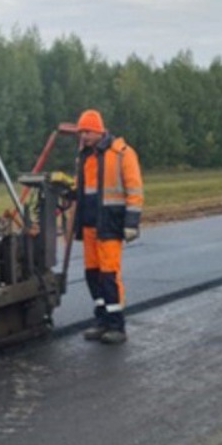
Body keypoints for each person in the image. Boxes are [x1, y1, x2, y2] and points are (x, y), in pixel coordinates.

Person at [73, 109, 143, 345]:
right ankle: (102, 319)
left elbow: (134, 189)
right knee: (92, 274)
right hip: (89, 225)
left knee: (109, 275)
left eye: (87, 131)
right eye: (81, 131)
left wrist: (131, 223)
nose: (83, 135)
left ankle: (117, 325)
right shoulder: (84, 157)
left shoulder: (121, 154)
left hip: (110, 225)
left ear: (98, 131)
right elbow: (83, 190)